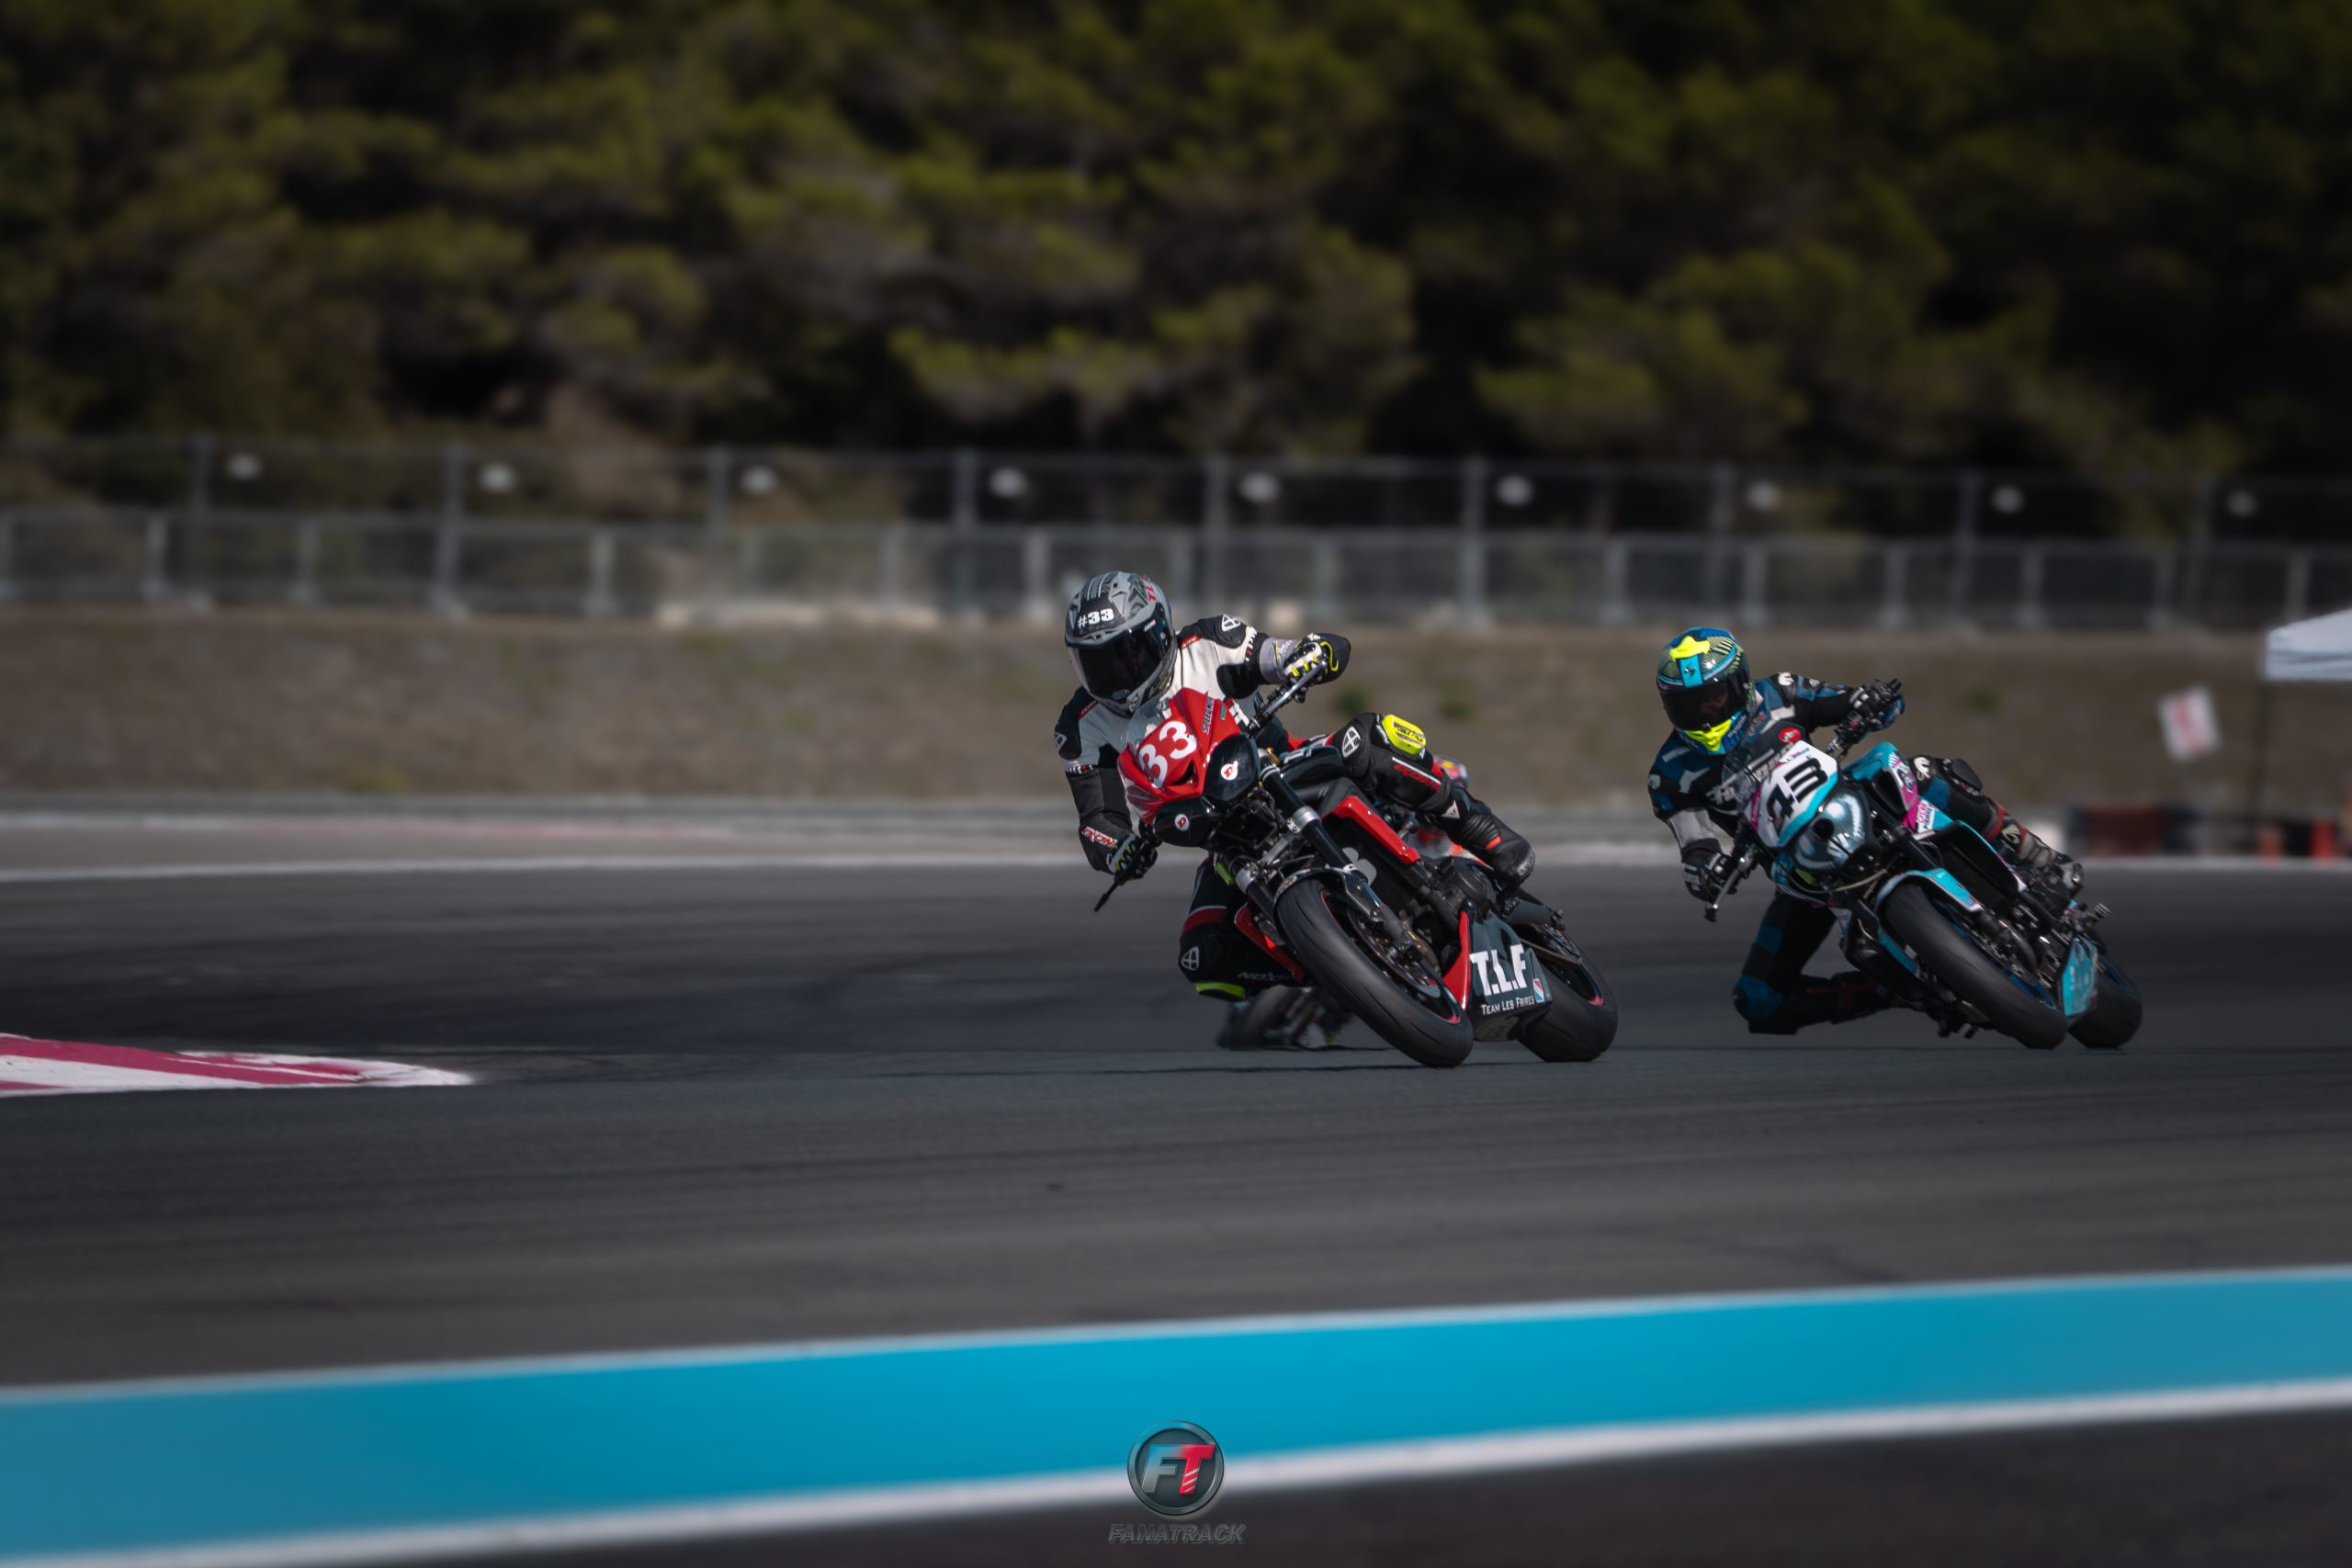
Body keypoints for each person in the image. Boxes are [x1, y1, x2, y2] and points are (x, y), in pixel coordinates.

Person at [1056, 570, 1532, 1020]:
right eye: (1099, 663)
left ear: (1160, 631)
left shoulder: (1207, 643)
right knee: (1202, 957)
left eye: (1128, 652)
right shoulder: (1081, 727)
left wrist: (1310, 653)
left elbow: (1275, 654)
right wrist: (1119, 850)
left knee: (1369, 739)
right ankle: (1339, 972)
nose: (1119, 673)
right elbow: (1098, 820)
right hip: (1225, 837)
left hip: (1284, 767)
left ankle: (1484, 831)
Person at [1647, 626, 2079, 1034]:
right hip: (1803, 871)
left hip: (1855, 803)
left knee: (1925, 773)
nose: (1705, 713)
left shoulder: (1781, 693)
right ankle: (1896, 989)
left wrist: (1872, 701)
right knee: (1758, 1000)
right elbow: (1695, 842)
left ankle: (2035, 855)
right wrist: (1704, 870)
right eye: (1689, 705)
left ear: (1740, 684)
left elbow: (1859, 701)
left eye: (1713, 698)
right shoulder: (1670, 773)